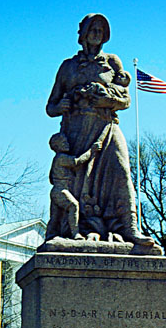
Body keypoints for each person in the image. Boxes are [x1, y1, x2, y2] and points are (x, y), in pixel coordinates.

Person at [46, 13, 154, 246]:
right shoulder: (68, 67)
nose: (97, 33)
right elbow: (51, 105)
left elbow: (125, 100)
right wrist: (61, 105)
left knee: (122, 169)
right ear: (83, 33)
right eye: (93, 29)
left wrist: (104, 97)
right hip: (76, 131)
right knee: (78, 181)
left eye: (101, 30)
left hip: (106, 125)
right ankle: (79, 228)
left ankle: (130, 228)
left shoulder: (113, 62)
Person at [45, 132, 97, 240]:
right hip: (61, 190)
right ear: (57, 146)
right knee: (74, 205)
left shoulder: (57, 159)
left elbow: (50, 178)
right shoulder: (61, 158)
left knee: (55, 217)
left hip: (56, 191)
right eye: (64, 142)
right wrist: (91, 151)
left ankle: (50, 235)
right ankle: (75, 233)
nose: (67, 143)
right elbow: (77, 161)